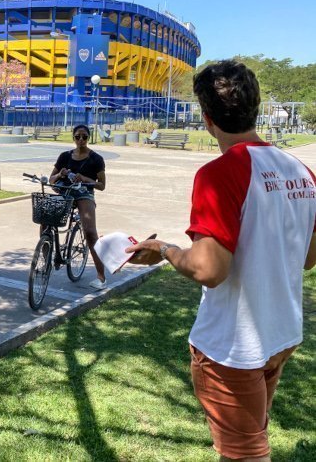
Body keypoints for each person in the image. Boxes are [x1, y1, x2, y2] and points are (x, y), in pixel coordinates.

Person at [126, 60, 316, 461]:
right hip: (281, 334)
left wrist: (164, 249)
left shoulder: (220, 174)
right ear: (255, 107)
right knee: (250, 439)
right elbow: (309, 258)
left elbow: (208, 270)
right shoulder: (302, 172)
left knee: (246, 454)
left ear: (207, 119)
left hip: (235, 347)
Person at [48, 124, 107, 289]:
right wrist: (60, 174)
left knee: (90, 232)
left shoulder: (96, 159)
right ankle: (46, 259)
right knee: (46, 220)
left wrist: (84, 179)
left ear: (88, 138)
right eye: (77, 137)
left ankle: (101, 276)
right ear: (73, 137)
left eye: (84, 137)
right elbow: (51, 179)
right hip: (65, 191)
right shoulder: (64, 156)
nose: (81, 140)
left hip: (84, 194)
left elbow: (102, 185)